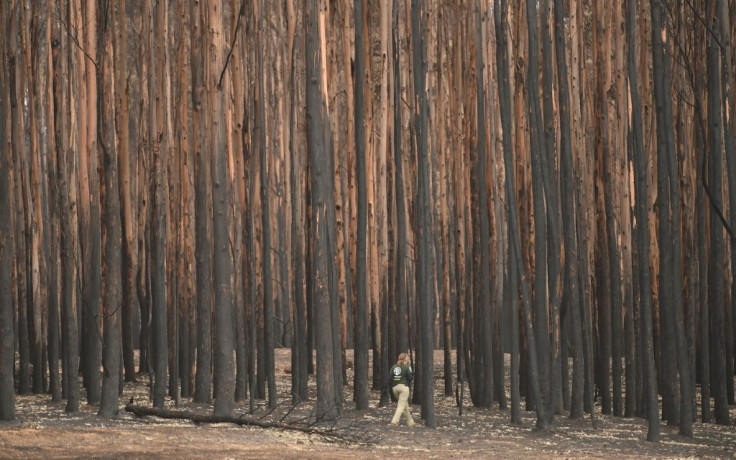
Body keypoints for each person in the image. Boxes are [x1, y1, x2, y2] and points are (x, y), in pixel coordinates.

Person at [387, 352, 415, 427]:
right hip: (404, 388)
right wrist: (412, 373)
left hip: (395, 388)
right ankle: (394, 421)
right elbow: (410, 379)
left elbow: (389, 378)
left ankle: (410, 423)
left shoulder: (394, 367)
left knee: (404, 405)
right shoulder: (407, 367)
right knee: (401, 405)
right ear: (406, 359)